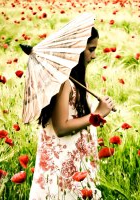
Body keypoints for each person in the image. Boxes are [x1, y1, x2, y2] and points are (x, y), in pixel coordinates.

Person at [29, 26, 114, 200]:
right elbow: (60, 127)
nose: (94, 55)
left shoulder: (77, 82)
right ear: (76, 50)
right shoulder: (64, 83)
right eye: (91, 49)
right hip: (62, 162)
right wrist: (96, 115)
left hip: (75, 157)